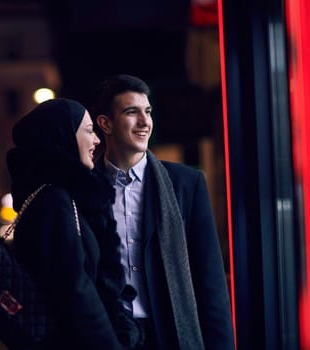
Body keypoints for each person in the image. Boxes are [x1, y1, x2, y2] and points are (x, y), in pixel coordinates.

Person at [91, 74, 235, 350]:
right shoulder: (86, 189)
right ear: (105, 123)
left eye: (148, 112)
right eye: (132, 112)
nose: (145, 122)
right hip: (108, 335)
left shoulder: (186, 184)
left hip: (168, 334)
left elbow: (210, 281)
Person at [6, 98, 143, 350]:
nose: (97, 140)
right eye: (89, 131)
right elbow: (75, 292)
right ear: (64, 137)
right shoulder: (54, 202)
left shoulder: (58, 198)